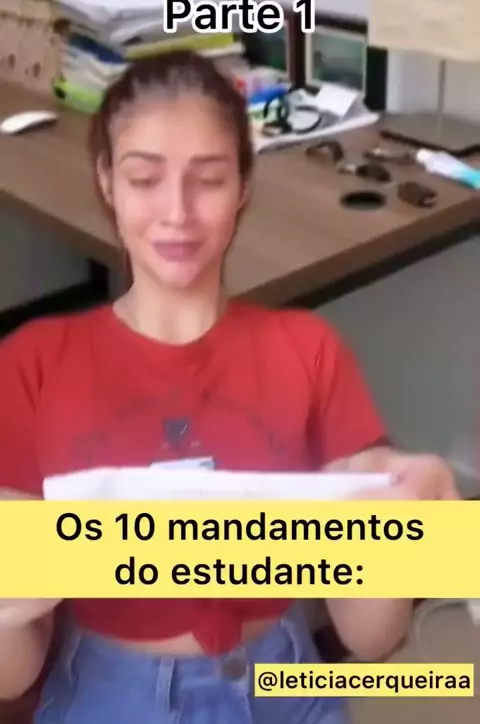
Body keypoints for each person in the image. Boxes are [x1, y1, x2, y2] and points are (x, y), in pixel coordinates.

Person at [0, 50, 458, 724]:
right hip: (109, 693)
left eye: (209, 179)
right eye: (145, 179)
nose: (177, 212)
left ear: (243, 185)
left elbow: (371, 638)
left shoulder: (308, 351)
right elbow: (13, 677)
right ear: (107, 182)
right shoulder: (32, 366)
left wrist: (412, 536)